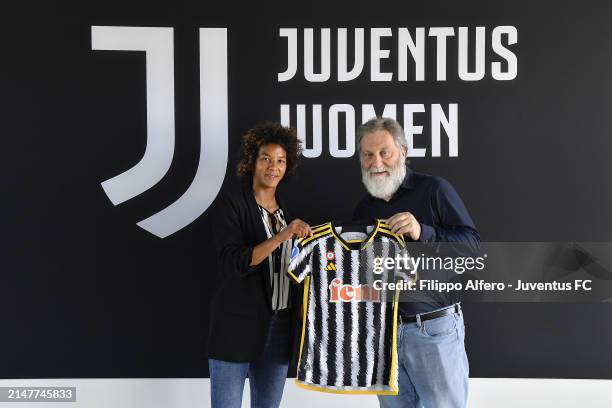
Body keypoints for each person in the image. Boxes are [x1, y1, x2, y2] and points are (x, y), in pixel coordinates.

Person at [353, 117, 480, 408]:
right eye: (367, 154)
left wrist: (423, 231)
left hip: (433, 330)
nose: (376, 162)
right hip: (384, 334)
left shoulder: (435, 189)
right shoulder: (363, 208)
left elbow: (473, 248)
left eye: (384, 152)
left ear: (403, 152)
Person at [207, 122, 312, 408]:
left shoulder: (285, 211)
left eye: (281, 160)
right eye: (266, 158)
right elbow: (234, 263)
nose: (273, 167)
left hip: (279, 326)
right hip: (235, 326)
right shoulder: (232, 204)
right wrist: (282, 236)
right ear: (252, 161)